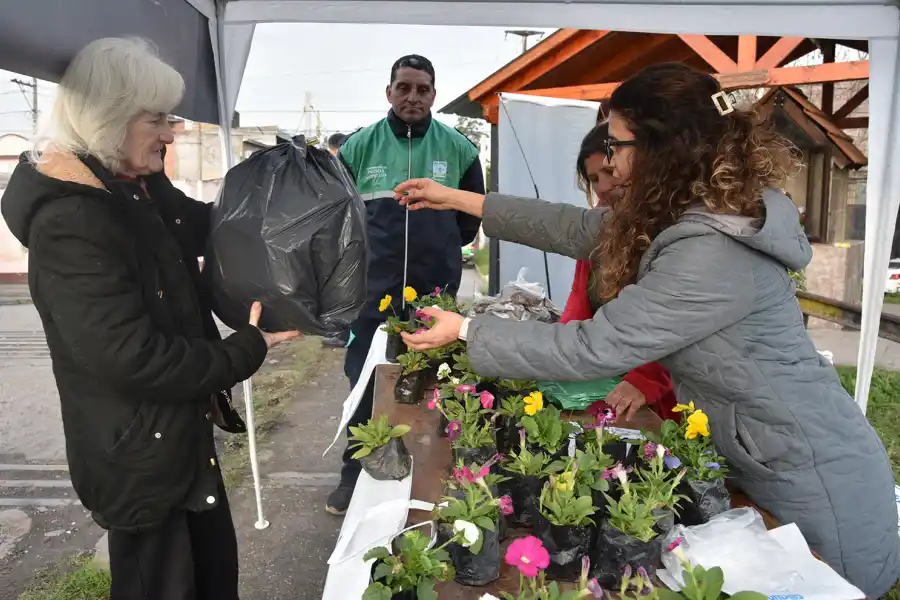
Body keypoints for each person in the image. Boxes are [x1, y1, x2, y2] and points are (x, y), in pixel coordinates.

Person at [393, 63, 900, 598]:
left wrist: (468, 330)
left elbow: (597, 345)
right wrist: (457, 198)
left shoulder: (711, 247)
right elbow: (576, 227)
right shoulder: (688, 210)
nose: (608, 160)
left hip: (810, 471)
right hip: (763, 448)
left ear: (662, 145)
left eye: (614, 145)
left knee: (824, 583)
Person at [0, 38, 299, 600]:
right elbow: (131, 357)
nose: (171, 133)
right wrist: (246, 349)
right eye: (157, 119)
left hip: (177, 437)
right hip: (141, 458)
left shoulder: (132, 184)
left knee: (212, 579)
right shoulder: (71, 220)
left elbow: (206, 226)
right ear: (107, 116)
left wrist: (289, 208)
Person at [326, 54, 485, 515]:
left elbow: (469, 221)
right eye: (404, 87)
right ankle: (352, 477)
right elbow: (341, 220)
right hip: (372, 294)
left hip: (435, 298)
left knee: (432, 383)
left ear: (434, 94)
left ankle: (426, 473)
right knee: (365, 382)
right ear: (389, 92)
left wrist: (435, 258)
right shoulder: (358, 147)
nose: (413, 97)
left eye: (422, 89)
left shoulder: (460, 149)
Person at [568, 123, 678, 423]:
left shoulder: (675, 235)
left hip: (667, 401)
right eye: (593, 179)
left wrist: (645, 380)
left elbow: (681, 325)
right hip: (610, 388)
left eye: (610, 172)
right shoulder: (598, 233)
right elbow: (578, 307)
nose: (603, 187)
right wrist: (558, 357)